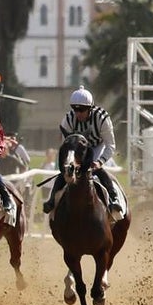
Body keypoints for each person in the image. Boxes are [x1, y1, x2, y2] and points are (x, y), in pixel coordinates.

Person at [42, 87, 124, 221]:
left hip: (97, 146)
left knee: (97, 170)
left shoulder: (102, 118)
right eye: (75, 109)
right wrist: (65, 167)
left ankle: (114, 200)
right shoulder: (68, 119)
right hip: (77, 149)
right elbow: (65, 146)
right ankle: (51, 200)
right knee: (66, 172)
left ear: (90, 108)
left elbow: (110, 145)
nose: (78, 113)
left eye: (82, 110)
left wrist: (100, 162)